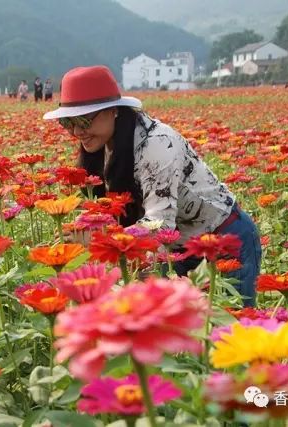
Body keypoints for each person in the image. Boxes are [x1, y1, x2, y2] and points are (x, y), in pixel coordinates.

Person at [43, 65, 261, 307]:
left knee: (231, 327)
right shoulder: (103, 145)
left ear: (113, 110)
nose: (76, 131)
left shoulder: (157, 144)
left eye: (83, 120)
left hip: (222, 240)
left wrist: (99, 238)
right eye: (67, 122)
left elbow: (159, 226)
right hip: (172, 251)